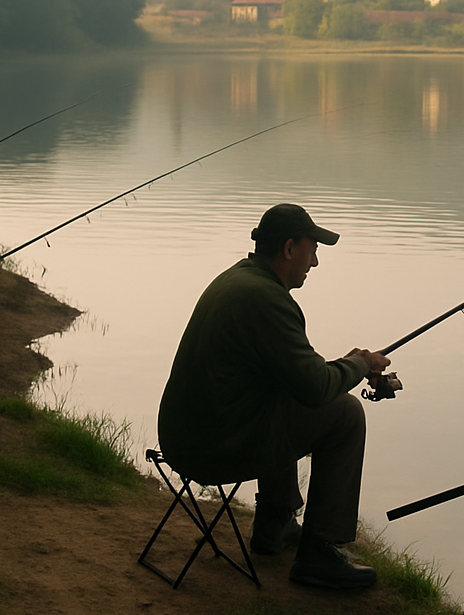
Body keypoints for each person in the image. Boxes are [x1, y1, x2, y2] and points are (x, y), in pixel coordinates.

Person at [157, 203, 392, 589]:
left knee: (281, 390)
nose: (314, 262)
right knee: (346, 413)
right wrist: (361, 365)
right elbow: (316, 388)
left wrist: (347, 364)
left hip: (184, 435)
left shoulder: (238, 280)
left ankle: (274, 523)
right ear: (288, 249)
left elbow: (299, 376)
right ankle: (317, 553)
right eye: (311, 249)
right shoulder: (267, 300)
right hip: (210, 448)